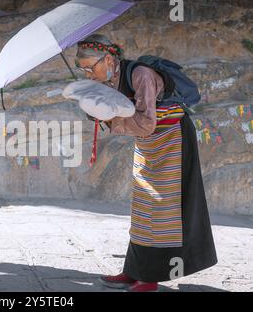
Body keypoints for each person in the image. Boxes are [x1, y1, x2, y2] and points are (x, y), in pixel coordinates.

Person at [75, 34, 217, 292]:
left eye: (90, 67)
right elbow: (119, 114)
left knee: (162, 211)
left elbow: (145, 123)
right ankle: (133, 271)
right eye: (82, 69)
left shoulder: (140, 75)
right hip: (149, 143)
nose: (87, 73)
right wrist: (93, 107)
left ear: (108, 59)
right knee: (142, 207)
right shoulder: (108, 79)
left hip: (172, 138)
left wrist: (110, 120)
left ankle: (149, 279)